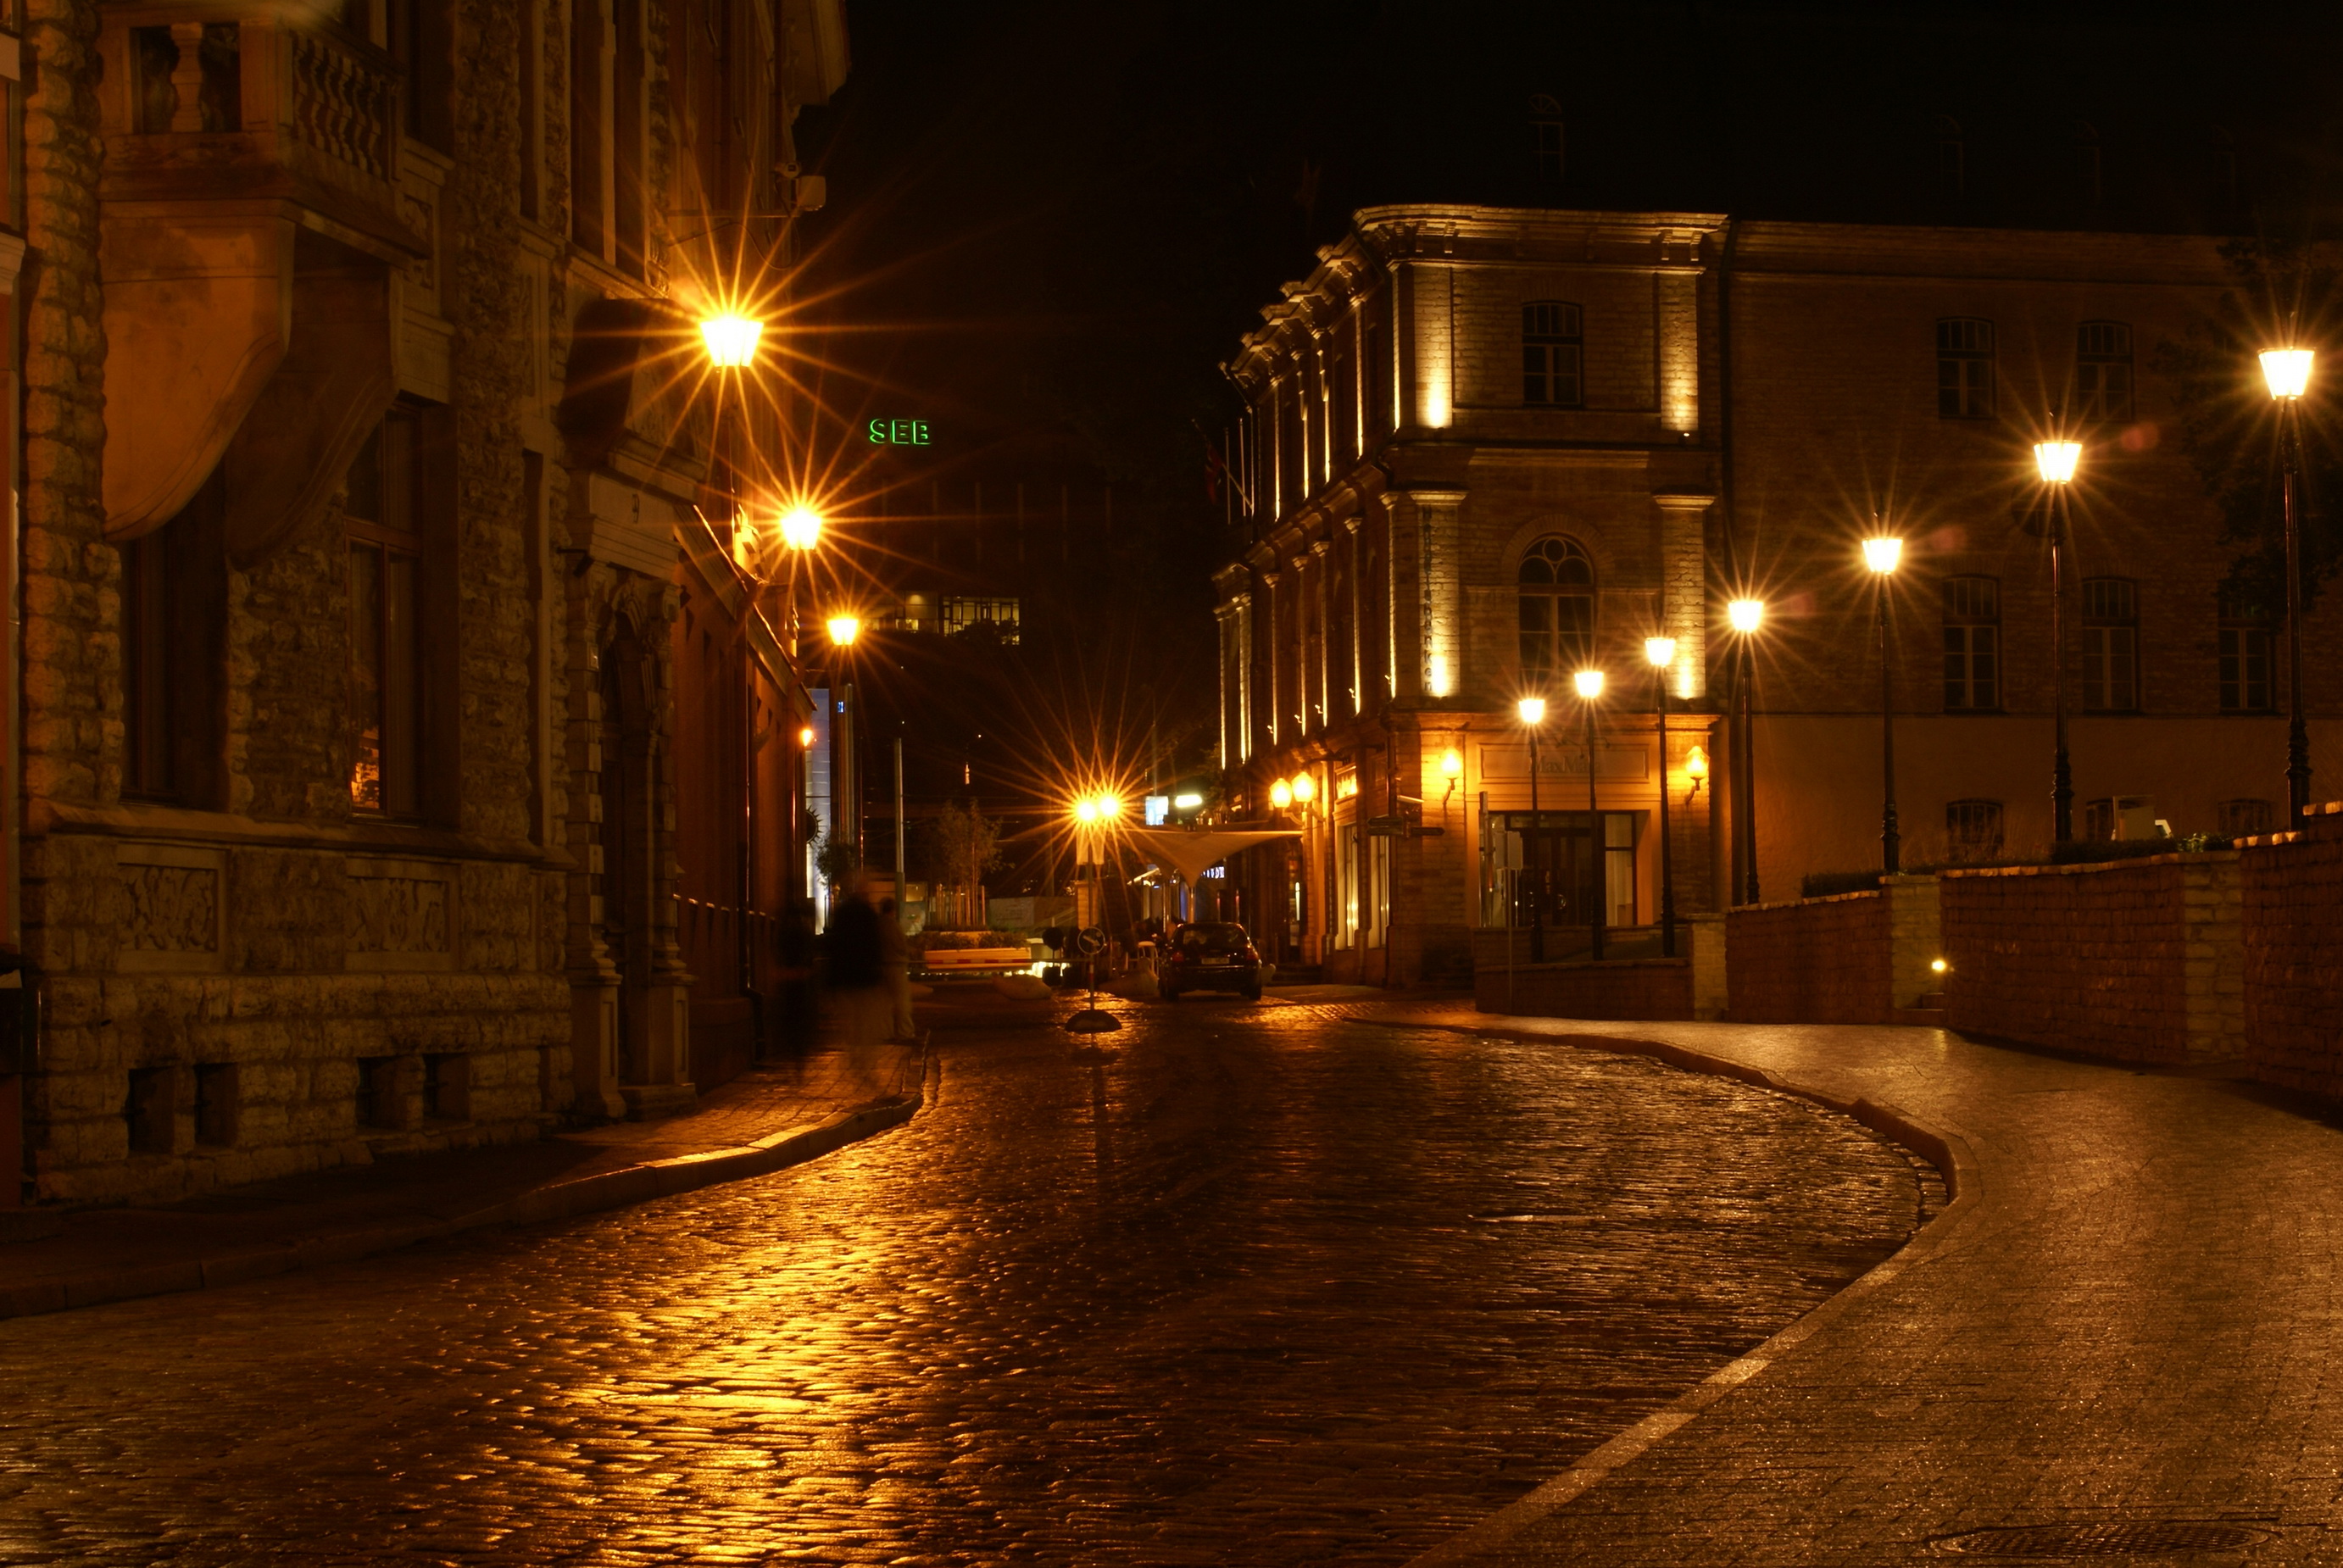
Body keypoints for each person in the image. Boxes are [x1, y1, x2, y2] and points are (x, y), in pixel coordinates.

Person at [824, 875, 890, 1090]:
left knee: (853, 1026)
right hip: (865, 979)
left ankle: (856, 1062)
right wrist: (880, 976)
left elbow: (834, 946)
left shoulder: (842, 914)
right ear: (865, 892)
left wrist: (832, 982)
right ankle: (863, 1066)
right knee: (868, 1028)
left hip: (846, 979)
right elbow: (875, 948)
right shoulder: (868, 916)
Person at [878, 896, 917, 1043]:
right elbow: (901, 947)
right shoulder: (893, 925)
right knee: (902, 1002)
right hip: (896, 966)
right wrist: (911, 950)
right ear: (893, 910)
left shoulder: (877, 925)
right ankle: (905, 1032)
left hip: (881, 967)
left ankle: (885, 1033)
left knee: (884, 1003)